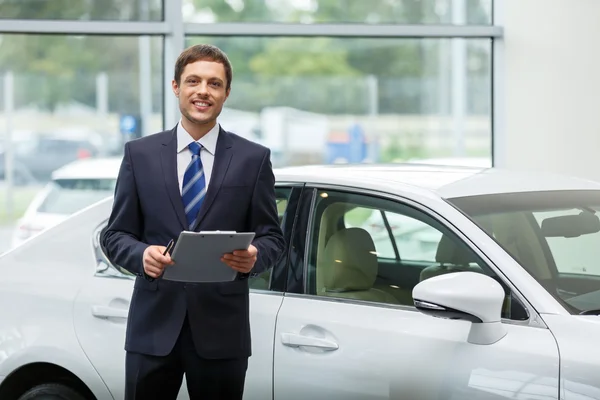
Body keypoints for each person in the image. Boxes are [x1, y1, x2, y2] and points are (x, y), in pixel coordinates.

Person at [102, 44, 285, 400]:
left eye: (214, 84)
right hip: (152, 329)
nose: (203, 91)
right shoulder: (139, 155)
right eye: (194, 81)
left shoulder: (253, 159)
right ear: (176, 87)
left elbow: (272, 237)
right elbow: (116, 235)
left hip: (222, 332)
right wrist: (141, 255)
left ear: (226, 93)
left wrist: (254, 257)